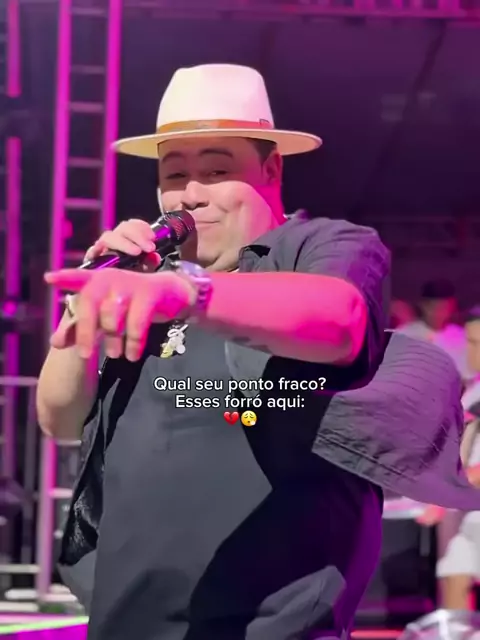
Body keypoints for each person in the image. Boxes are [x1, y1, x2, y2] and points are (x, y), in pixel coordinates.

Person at [36, 64, 480, 640]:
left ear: (271, 170)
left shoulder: (320, 245)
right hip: (128, 616)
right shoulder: (145, 278)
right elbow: (61, 419)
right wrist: (90, 296)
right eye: (175, 174)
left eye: (217, 170)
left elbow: (338, 318)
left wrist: (190, 292)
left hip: (273, 622)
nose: (190, 194)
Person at [418, 306, 480, 610]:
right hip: (462, 513)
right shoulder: (472, 390)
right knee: (452, 586)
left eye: (478, 343)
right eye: (470, 342)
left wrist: (447, 490)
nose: (472, 352)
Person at [397, 279, 473, 381]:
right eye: (433, 307)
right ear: (423, 306)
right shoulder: (403, 335)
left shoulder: (464, 337)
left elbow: (469, 375)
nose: (438, 313)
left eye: (444, 308)